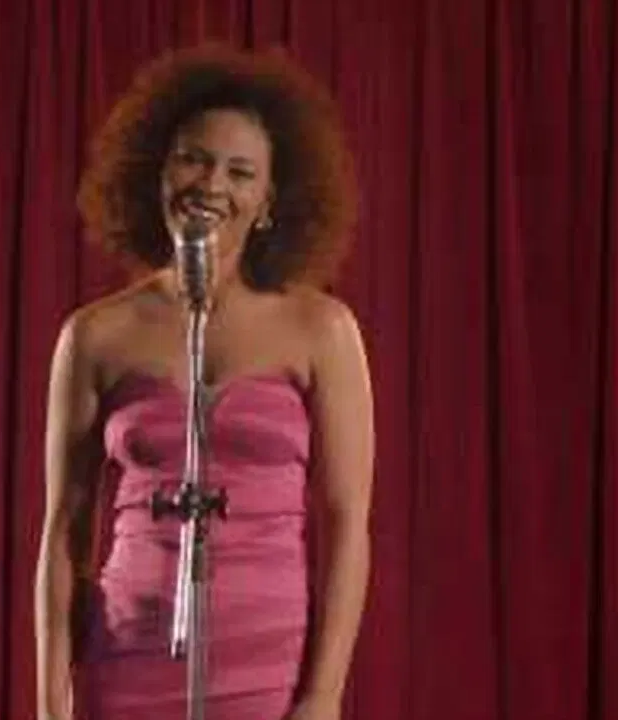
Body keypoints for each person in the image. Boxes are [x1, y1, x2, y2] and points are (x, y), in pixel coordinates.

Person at [35, 43, 374, 720]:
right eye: (193, 158)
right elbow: (64, 530)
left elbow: (346, 524)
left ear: (269, 200)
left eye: (240, 171)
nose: (212, 184)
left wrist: (323, 695)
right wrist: (50, 704)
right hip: (129, 659)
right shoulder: (95, 335)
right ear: (157, 169)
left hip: (269, 670)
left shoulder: (322, 329)